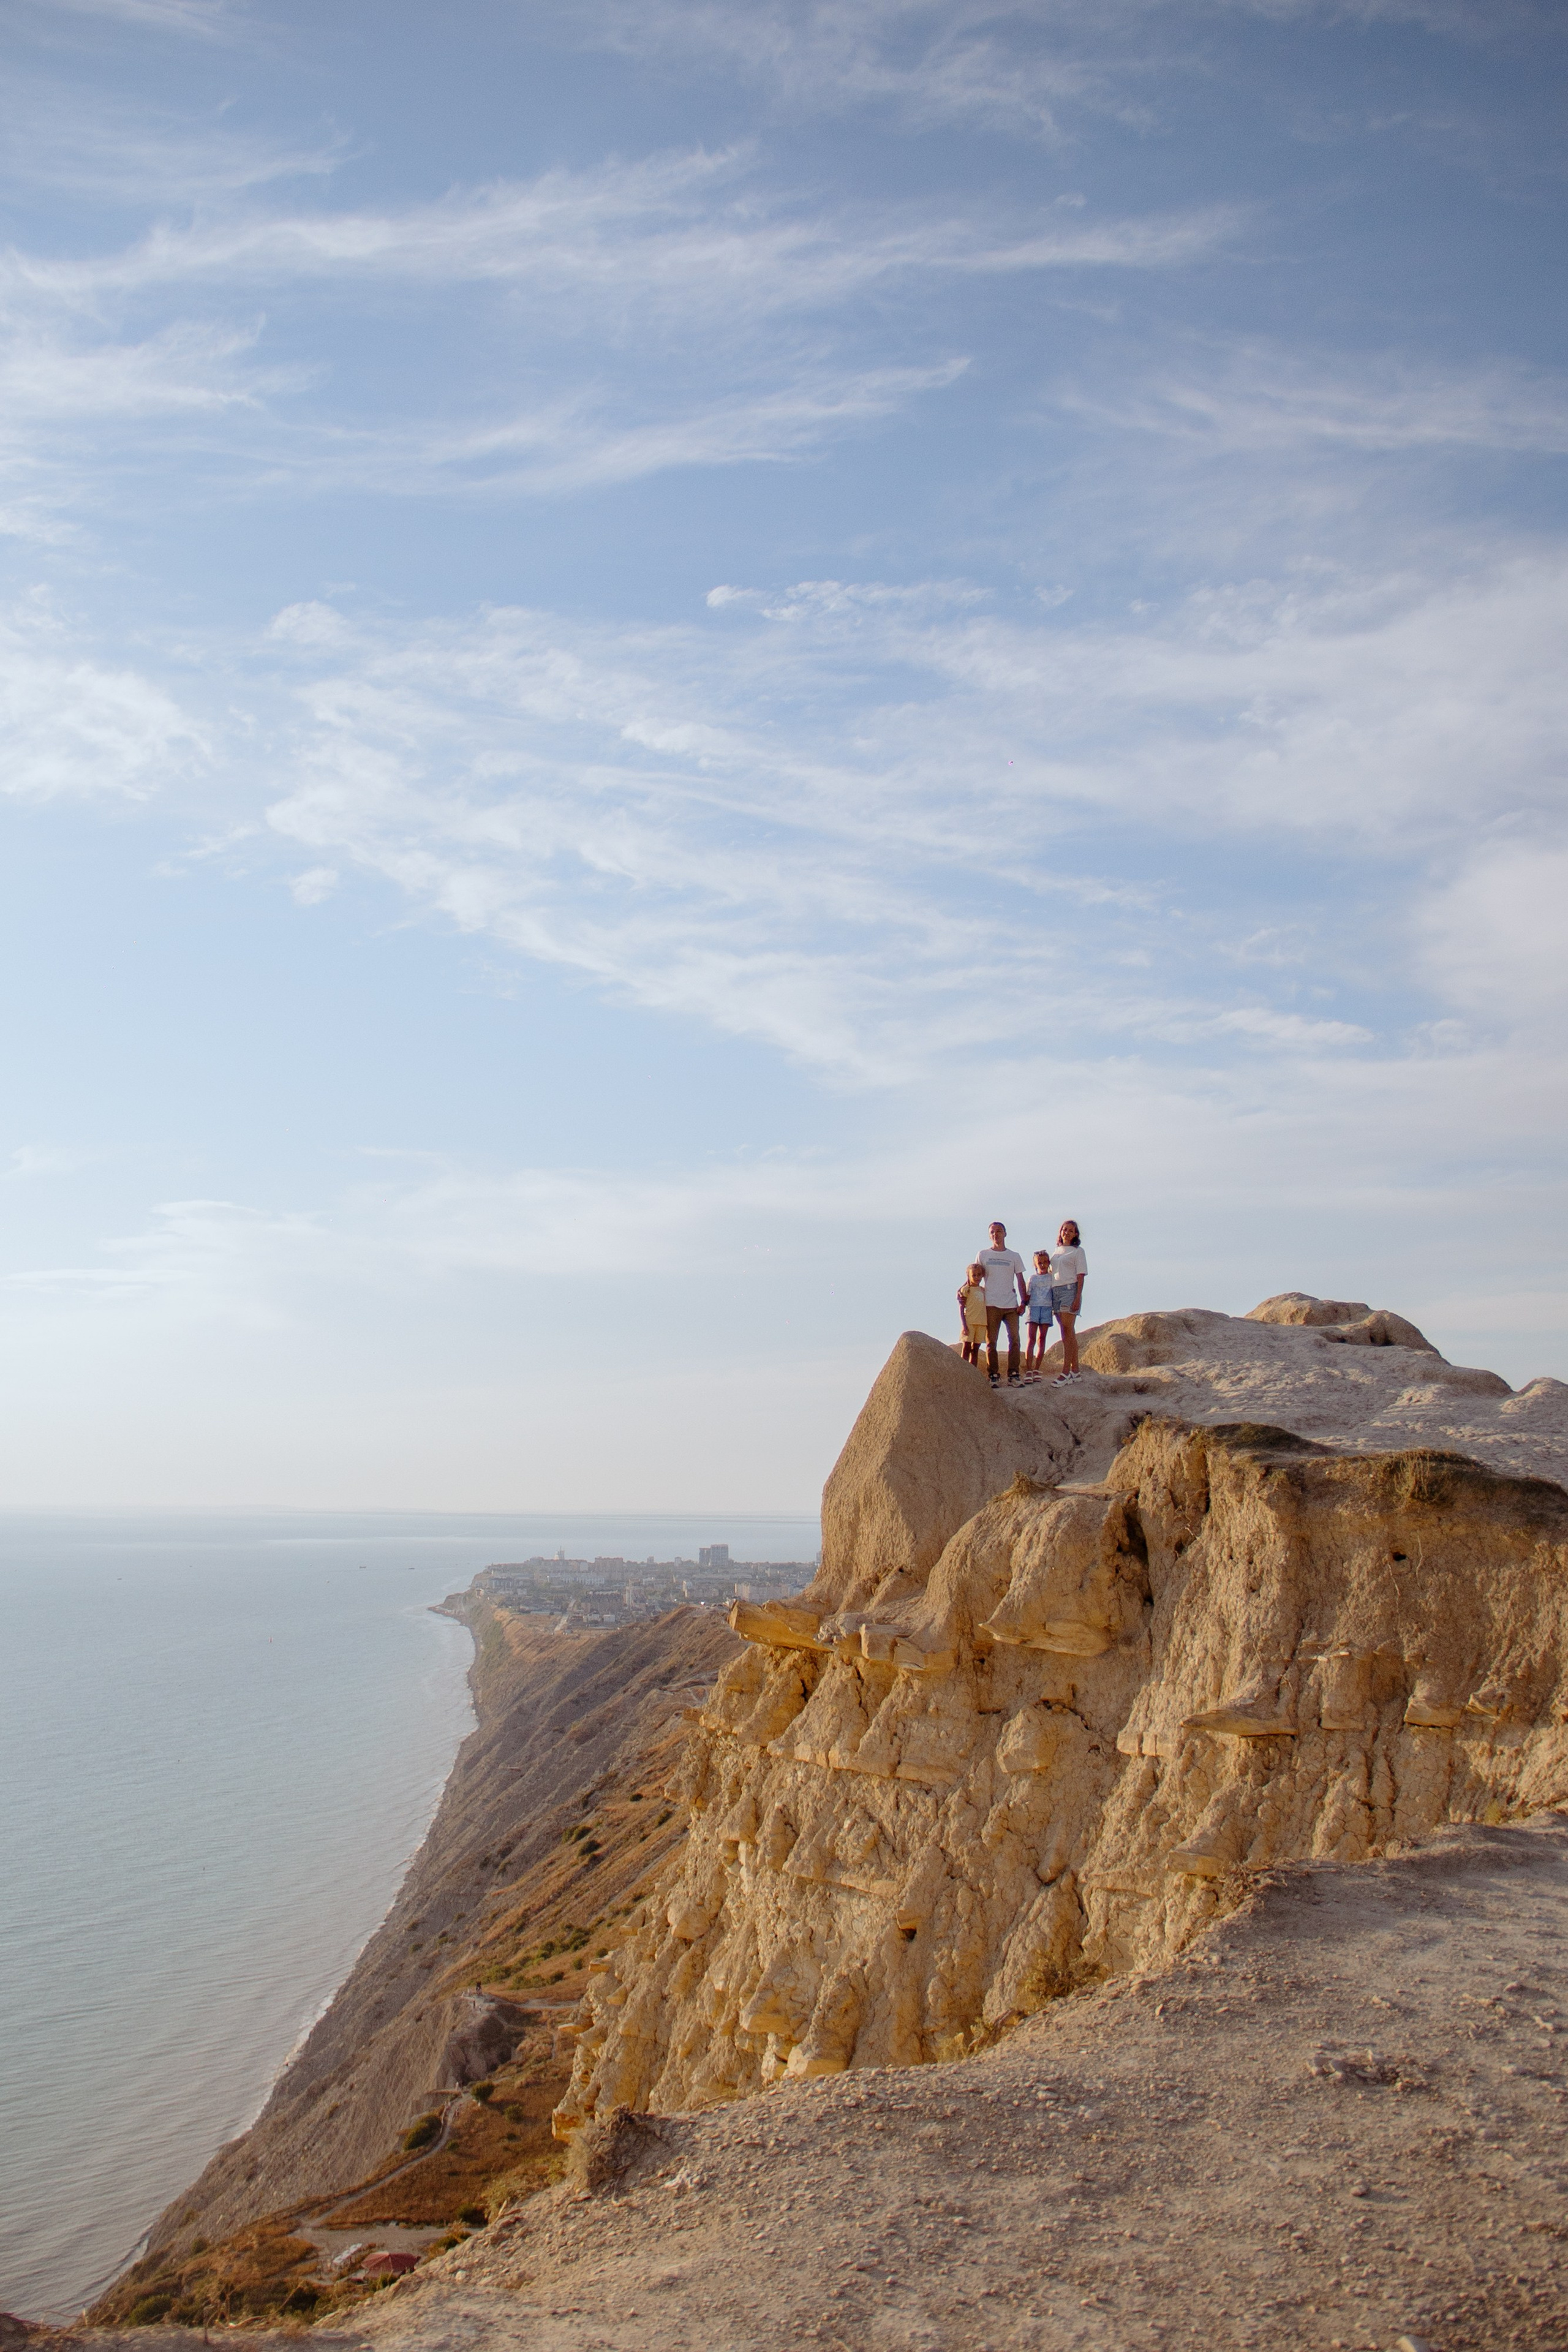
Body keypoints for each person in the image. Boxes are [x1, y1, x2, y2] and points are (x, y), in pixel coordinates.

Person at [976, 1220, 1028, 1389]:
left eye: (999, 1231)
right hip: (991, 1303)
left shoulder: (1014, 1256)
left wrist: (1024, 1302)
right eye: (992, 1232)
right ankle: (993, 1374)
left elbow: (1020, 1280)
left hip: (1010, 1304)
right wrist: (964, 1291)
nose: (996, 1234)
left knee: (1015, 1339)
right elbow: (974, 1275)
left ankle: (1014, 1374)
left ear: (1005, 1233)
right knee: (991, 1341)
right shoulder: (984, 1255)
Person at [1049, 1219, 1088, 1384]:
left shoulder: (1078, 1252)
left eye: (1071, 1230)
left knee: (1068, 1329)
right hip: (1055, 1290)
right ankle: (1076, 1370)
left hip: (1069, 1290)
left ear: (1075, 1234)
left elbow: (1081, 1275)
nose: (1067, 1232)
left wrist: (1078, 1297)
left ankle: (1066, 1371)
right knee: (1066, 1332)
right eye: (1064, 1229)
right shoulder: (1057, 1251)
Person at [1023, 1250, 1055, 1379]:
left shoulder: (1052, 1278)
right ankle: (1028, 1369)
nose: (1042, 1265)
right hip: (1034, 1307)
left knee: (1042, 1339)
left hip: (1047, 1308)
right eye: (1039, 1263)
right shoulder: (1033, 1279)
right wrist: (1022, 1304)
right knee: (1031, 1339)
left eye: (1045, 1262)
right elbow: (1028, 1294)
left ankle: (1037, 1368)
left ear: (1048, 1263)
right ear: (1035, 1265)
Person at [957, 1261, 989, 1366]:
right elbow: (961, 1307)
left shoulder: (984, 1290)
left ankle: (973, 1371)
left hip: (981, 1323)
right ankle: (963, 1370)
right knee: (967, 1347)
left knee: (976, 1349)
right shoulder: (966, 1290)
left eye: (979, 1275)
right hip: (970, 1322)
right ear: (968, 1276)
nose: (977, 1277)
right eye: (974, 1275)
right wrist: (964, 1325)